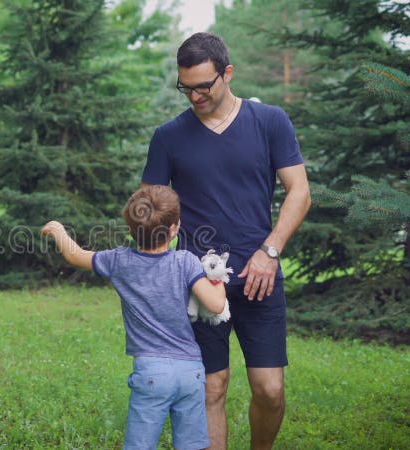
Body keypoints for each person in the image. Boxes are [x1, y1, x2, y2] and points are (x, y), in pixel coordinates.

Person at [141, 32, 311, 449]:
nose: (194, 95)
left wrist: (269, 252)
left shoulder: (270, 122)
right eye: (186, 87)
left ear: (227, 73)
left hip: (260, 276)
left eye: (203, 85)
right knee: (211, 389)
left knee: (269, 389)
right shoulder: (168, 136)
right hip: (197, 285)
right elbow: (148, 208)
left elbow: (300, 192)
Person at [41, 185, 228, 450]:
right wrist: (216, 275)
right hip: (191, 371)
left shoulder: (119, 262)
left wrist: (59, 231)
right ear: (175, 228)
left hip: (151, 371)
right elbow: (216, 305)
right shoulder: (185, 261)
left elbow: (74, 255)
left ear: (131, 229)